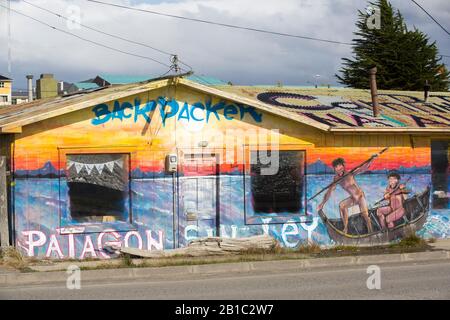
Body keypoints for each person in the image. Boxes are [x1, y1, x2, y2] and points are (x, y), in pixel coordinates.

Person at [317, 157, 375, 234]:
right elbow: (329, 192)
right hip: (353, 198)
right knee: (342, 206)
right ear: (334, 169)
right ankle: (345, 228)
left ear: (343, 166)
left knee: (365, 216)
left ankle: (371, 232)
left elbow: (362, 169)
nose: (338, 168)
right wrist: (322, 203)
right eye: (336, 167)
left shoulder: (350, 173)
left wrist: (371, 160)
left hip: (360, 196)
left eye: (339, 166)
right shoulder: (336, 179)